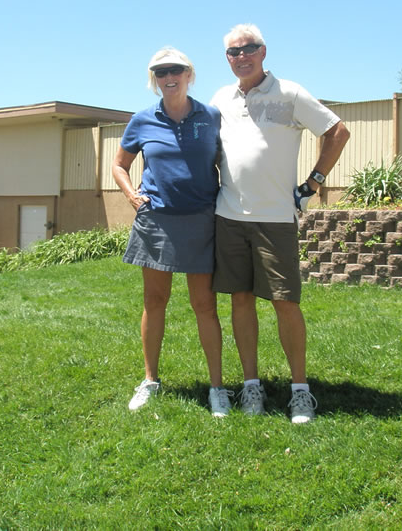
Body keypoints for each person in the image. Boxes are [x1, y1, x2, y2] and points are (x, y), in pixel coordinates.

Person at [210, 24, 350, 423]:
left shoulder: (289, 93)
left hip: (275, 220)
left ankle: (300, 391)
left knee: (286, 303)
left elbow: (338, 132)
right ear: (227, 58)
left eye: (249, 48)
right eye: (234, 52)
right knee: (240, 300)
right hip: (229, 217)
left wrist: (313, 183)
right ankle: (251, 385)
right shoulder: (220, 99)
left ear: (263, 51)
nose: (241, 56)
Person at [112, 47, 232, 417]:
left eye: (176, 70)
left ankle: (217, 388)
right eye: (161, 72)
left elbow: (227, 161)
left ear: (189, 74)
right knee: (155, 301)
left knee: (204, 305)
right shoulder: (142, 120)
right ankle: (150, 380)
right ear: (155, 79)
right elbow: (119, 165)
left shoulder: (210, 116)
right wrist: (132, 195)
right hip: (157, 221)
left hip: (201, 220)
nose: (169, 77)